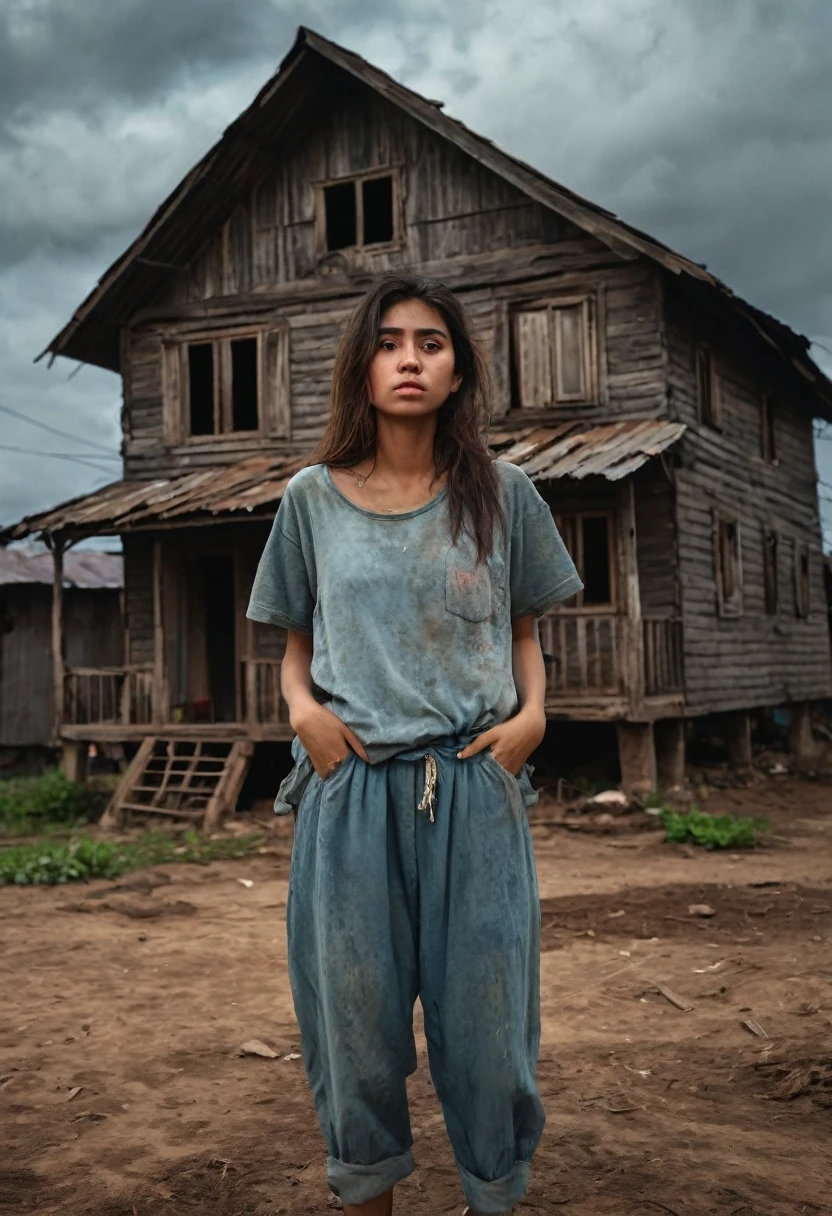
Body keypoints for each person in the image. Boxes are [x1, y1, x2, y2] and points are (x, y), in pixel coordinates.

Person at [247, 274, 582, 1216]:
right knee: (354, 1030)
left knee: (486, 1028)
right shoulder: (311, 500)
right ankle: (368, 1189)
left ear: (458, 368)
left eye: (430, 343)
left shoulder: (502, 492)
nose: (409, 358)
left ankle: (493, 1190)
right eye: (390, 342)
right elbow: (294, 645)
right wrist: (302, 713)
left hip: (474, 785)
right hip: (348, 792)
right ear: (361, 366)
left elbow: (523, 629)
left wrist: (535, 717)